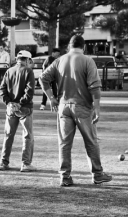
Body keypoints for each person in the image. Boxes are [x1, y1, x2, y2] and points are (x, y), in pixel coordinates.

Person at [40, 35, 113, 186]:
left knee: (64, 143)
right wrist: (97, 108)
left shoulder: (59, 60)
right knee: (91, 141)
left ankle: (65, 176)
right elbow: (95, 86)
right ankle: (97, 174)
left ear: (69, 46)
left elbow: (43, 78)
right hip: (82, 107)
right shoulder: (87, 60)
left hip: (63, 106)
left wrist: (51, 98)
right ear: (83, 46)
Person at [0, 50, 36, 172]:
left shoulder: (9, 71)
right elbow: (29, 91)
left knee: (8, 135)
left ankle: (3, 162)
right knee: (27, 136)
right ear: (28, 60)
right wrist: (20, 103)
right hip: (25, 107)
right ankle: (25, 163)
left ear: (17, 59)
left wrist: (9, 103)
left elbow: (2, 90)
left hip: (10, 108)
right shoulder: (28, 71)